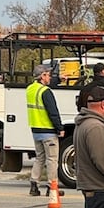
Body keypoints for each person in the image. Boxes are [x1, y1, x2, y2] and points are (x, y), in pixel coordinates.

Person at [26, 64, 65, 197]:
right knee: (52, 159)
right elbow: (53, 112)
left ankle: (34, 185)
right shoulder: (45, 92)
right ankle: (52, 187)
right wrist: (60, 128)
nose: (50, 77)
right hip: (48, 130)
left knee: (39, 158)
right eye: (48, 75)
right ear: (42, 76)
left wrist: (59, 80)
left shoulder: (30, 89)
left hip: (36, 130)